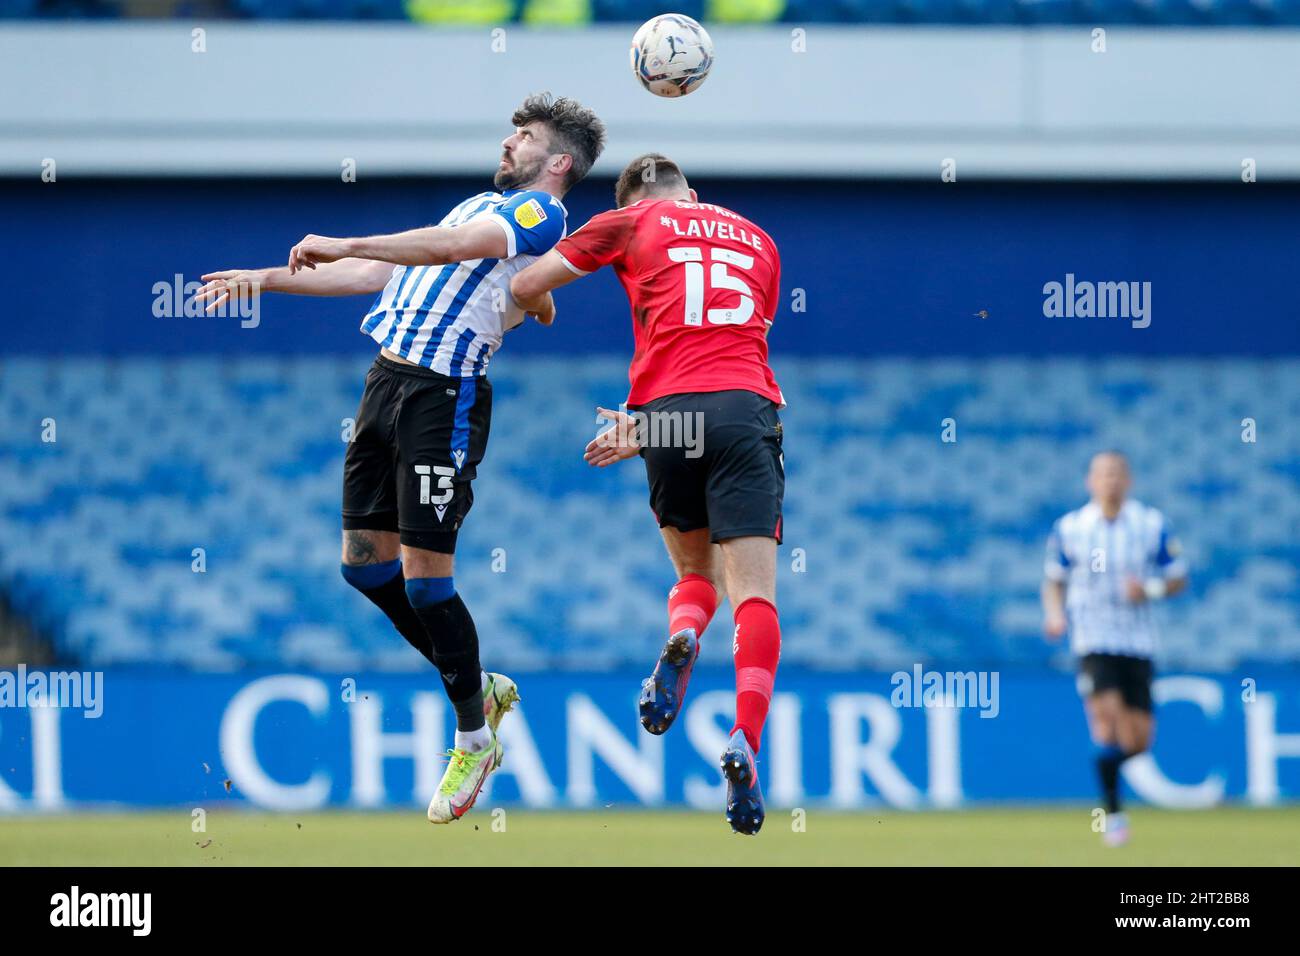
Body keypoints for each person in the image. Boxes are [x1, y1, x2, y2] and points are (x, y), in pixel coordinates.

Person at [194, 94, 606, 824]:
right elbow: (375, 278)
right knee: (361, 564)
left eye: (526, 136)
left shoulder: (540, 215)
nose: (509, 141)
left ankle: (475, 738)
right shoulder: (478, 205)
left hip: (442, 397)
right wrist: (264, 277)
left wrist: (349, 239)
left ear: (559, 161)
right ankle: (482, 684)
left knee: (424, 584)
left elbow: (446, 253)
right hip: (384, 383)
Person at [511, 153, 784, 834]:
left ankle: (684, 633)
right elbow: (744, 334)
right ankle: (745, 736)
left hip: (662, 416)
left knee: (695, 574)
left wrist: (539, 303)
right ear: (692, 193)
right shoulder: (759, 239)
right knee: (755, 594)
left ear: (633, 197)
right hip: (746, 407)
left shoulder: (626, 222)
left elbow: (528, 284)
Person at [1042, 450, 1188, 846]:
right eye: (1103, 474)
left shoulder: (1151, 524)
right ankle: (1113, 817)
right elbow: (1054, 579)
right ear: (1090, 481)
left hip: (1138, 643)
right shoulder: (1071, 527)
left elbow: (1177, 577)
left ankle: (1104, 765)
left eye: (1117, 473)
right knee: (1105, 719)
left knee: (1138, 741)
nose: (1110, 481)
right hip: (1093, 639)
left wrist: (1150, 589)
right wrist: (1055, 614)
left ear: (1129, 481)